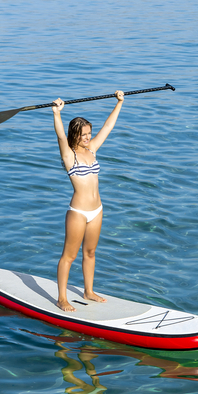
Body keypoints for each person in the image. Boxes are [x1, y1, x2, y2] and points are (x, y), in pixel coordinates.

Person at [51, 91, 124, 311]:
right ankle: (62, 298)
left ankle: (88, 291)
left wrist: (119, 102)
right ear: (75, 135)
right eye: (83, 134)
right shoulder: (69, 155)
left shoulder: (91, 149)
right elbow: (61, 137)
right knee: (69, 256)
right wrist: (56, 113)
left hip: (97, 210)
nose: (87, 137)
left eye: (88, 133)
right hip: (79, 212)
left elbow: (108, 128)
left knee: (90, 253)